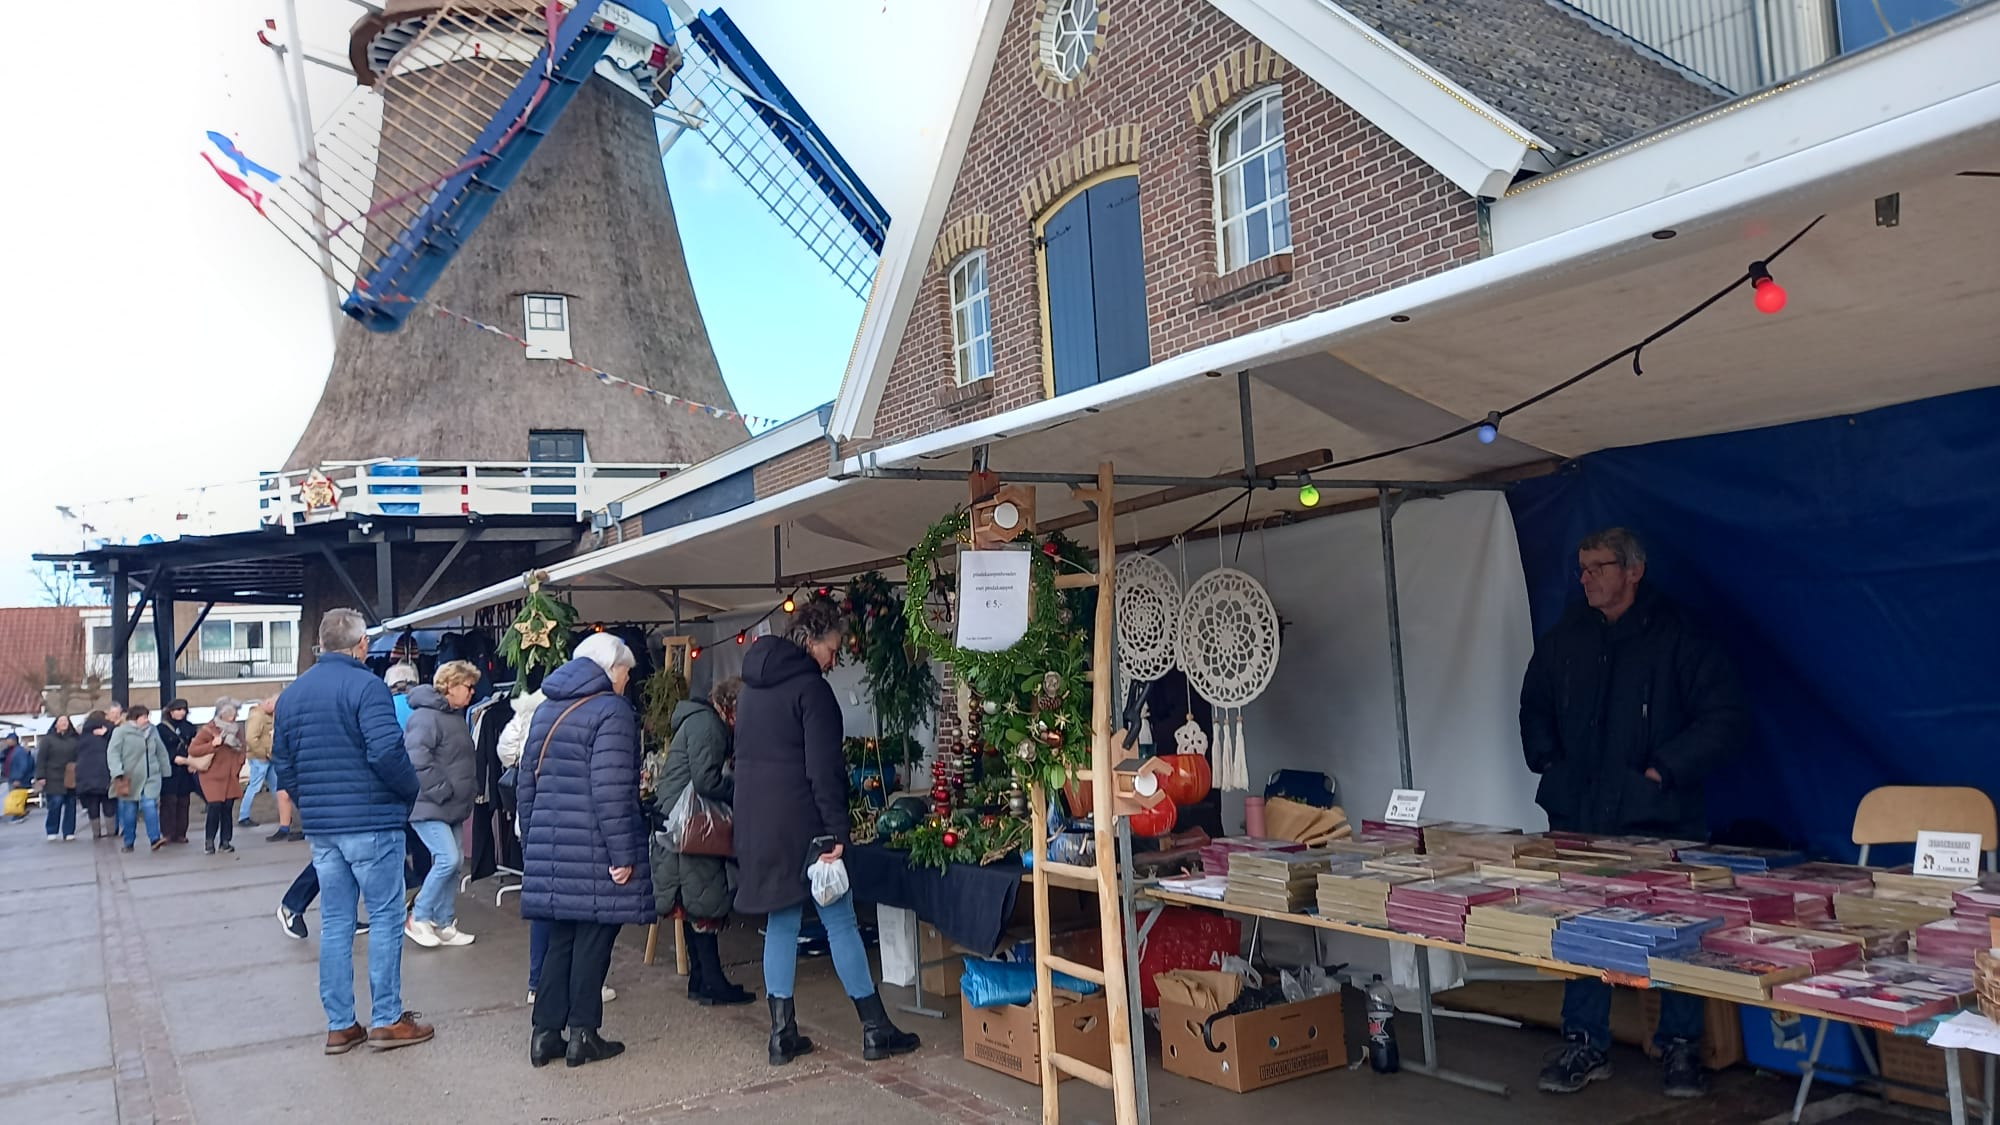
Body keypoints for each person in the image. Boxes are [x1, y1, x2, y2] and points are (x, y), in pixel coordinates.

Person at [1520, 527, 1749, 1100]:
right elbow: (1534, 705)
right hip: (1579, 813)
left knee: (1674, 933)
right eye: (1581, 568)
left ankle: (1679, 1048)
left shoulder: (1680, 632)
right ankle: (1585, 1043)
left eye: (1597, 567)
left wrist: (1662, 771)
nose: (1586, 578)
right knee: (1580, 929)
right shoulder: (1565, 635)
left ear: (1633, 570)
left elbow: (1723, 717)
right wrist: (1551, 761)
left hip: (1660, 815)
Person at [736, 601, 919, 1067]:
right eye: (832, 649)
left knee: (780, 922)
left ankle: (781, 1035)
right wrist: (836, 830)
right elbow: (823, 769)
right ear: (811, 641)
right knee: (838, 919)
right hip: (806, 824)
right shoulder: (810, 691)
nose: (834, 659)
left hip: (760, 821)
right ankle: (875, 1028)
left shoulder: (750, 689)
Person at [273, 608, 432, 1055]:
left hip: (325, 827)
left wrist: (311, 804)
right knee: (384, 918)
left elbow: (284, 763)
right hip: (372, 820)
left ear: (323, 644)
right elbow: (386, 751)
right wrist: (408, 792)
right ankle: (385, 1019)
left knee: (337, 922)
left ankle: (341, 1024)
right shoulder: (367, 686)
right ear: (361, 644)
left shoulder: (292, 694)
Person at [518, 635, 650, 1068]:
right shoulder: (612, 711)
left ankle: (544, 1035)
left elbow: (526, 784)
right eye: (626, 671)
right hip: (594, 845)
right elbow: (611, 789)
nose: (628, 680)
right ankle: (583, 1035)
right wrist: (622, 854)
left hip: (552, 844)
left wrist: (534, 841)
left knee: (560, 939)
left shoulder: (546, 707)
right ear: (610, 669)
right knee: (595, 939)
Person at [653, 677, 752, 1006]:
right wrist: (742, 792)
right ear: (732, 708)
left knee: (693, 901)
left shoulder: (698, 720)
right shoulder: (708, 726)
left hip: (679, 819)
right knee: (704, 899)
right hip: (691, 821)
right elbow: (707, 781)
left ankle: (701, 980)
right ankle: (712, 983)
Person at [405, 660, 481, 949]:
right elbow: (417, 759)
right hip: (430, 805)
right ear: (450, 685)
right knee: (448, 859)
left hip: (450, 805)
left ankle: (444, 921)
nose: (472, 693)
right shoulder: (426, 717)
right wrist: (441, 790)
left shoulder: (453, 716)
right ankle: (419, 915)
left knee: (454, 862)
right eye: (468, 686)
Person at [187, 699, 248, 854]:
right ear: (223, 714)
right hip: (212, 775)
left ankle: (225, 841)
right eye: (231, 714)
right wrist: (212, 745)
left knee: (227, 808)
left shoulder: (236, 730)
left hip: (229, 775)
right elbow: (193, 750)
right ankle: (209, 842)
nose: (234, 717)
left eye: (235, 714)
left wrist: (238, 766)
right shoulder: (208, 730)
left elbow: (242, 749)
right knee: (214, 807)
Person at [108, 706, 170, 852]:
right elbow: (113, 753)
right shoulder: (121, 732)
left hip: (151, 776)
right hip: (130, 778)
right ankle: (128, 841)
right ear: (134, 718)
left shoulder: (152, 730)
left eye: (147, 716)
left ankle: (155, 838)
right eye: (143, 717)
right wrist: (117, 771)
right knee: (129, 811)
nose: (146, 719)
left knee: (149, 805)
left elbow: (160, 751)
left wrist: (165, 770)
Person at [155, 700, 201, 845]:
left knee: (183, 801)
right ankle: (168, 832)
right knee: (169, 802)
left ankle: (181, 832)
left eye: (183, 709)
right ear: (170, 711)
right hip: (169, 769)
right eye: (178, 709)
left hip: (185, 769)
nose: (181, 712)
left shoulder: (189, 727)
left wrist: (192, 761)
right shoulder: (161, 728)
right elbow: (159, 748)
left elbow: (195, 745)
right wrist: (172, 757)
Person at [35, 715, 82, 840]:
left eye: (66, 721)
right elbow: (41, 759)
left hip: (70, 776)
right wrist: (40, 776)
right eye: (61, 721)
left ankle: (69, 831)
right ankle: (52, 830)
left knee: (71, 804)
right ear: (56, 724)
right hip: (53, 777)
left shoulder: (75, 739)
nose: (64, 723)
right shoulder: (47, 740)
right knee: (56, 803)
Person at [74, 711, 116, 840]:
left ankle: (96, 832)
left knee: (93, 804)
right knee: (108, 802)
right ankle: (111, 831)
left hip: (86, 775)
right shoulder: (108, 733)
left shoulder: (82, 736)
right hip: (105, 772)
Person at [240, 695, 277, 828]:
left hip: (269, 757)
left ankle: (286, 815)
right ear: (268, 703)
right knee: (254, 786)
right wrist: (263, 753)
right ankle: (243, 816)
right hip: (260, 757)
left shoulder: (268, 715)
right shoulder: (257, 716)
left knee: (277, 786)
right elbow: (251, 738)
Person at [2, 733, 32, 822]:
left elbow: (23, 765)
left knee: (17, 796)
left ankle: (18, 814)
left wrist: (18, 778)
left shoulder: (19, 751)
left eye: (9, 740)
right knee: (14, 796)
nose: (7, 742)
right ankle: (19, 813)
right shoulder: (9, 751)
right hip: (10, 777)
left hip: (17, 778)